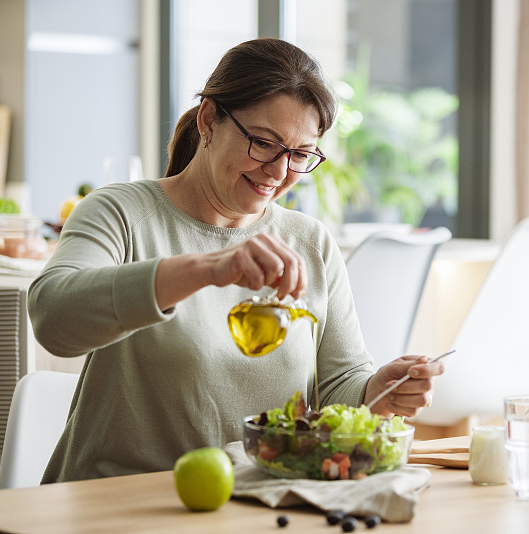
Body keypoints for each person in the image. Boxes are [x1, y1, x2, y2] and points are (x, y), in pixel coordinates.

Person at [28, 38, 444, 483]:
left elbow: (337, 385)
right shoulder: (121, 213)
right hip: (119, 500)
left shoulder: (310, 242)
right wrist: (208, 268)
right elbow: (54, 318)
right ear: (209, 120)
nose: (279, 172)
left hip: (257, 500)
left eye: (300, 154)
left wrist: (376, 392)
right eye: (263, 143)